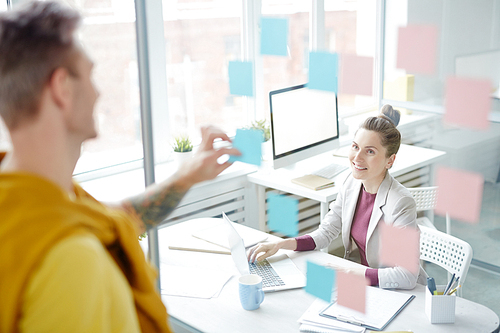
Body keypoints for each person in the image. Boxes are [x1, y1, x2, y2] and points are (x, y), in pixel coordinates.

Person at [0, 1, 239, 332]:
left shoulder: (23, 198)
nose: (98, 92)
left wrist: (189, 175)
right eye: (89, 74)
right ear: (62, 89)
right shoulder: (71, 260)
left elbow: (114, 219)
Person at [248, 105, 426, 290]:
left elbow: (407, 275)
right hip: (363, 283)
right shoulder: (351, 183)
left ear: (390, 160)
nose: (357, 157)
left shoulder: (400, 202)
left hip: (393, 289)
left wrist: (351, 273)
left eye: (370, 151)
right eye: (355, 147)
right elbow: (325, 233)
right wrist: (280, 244)